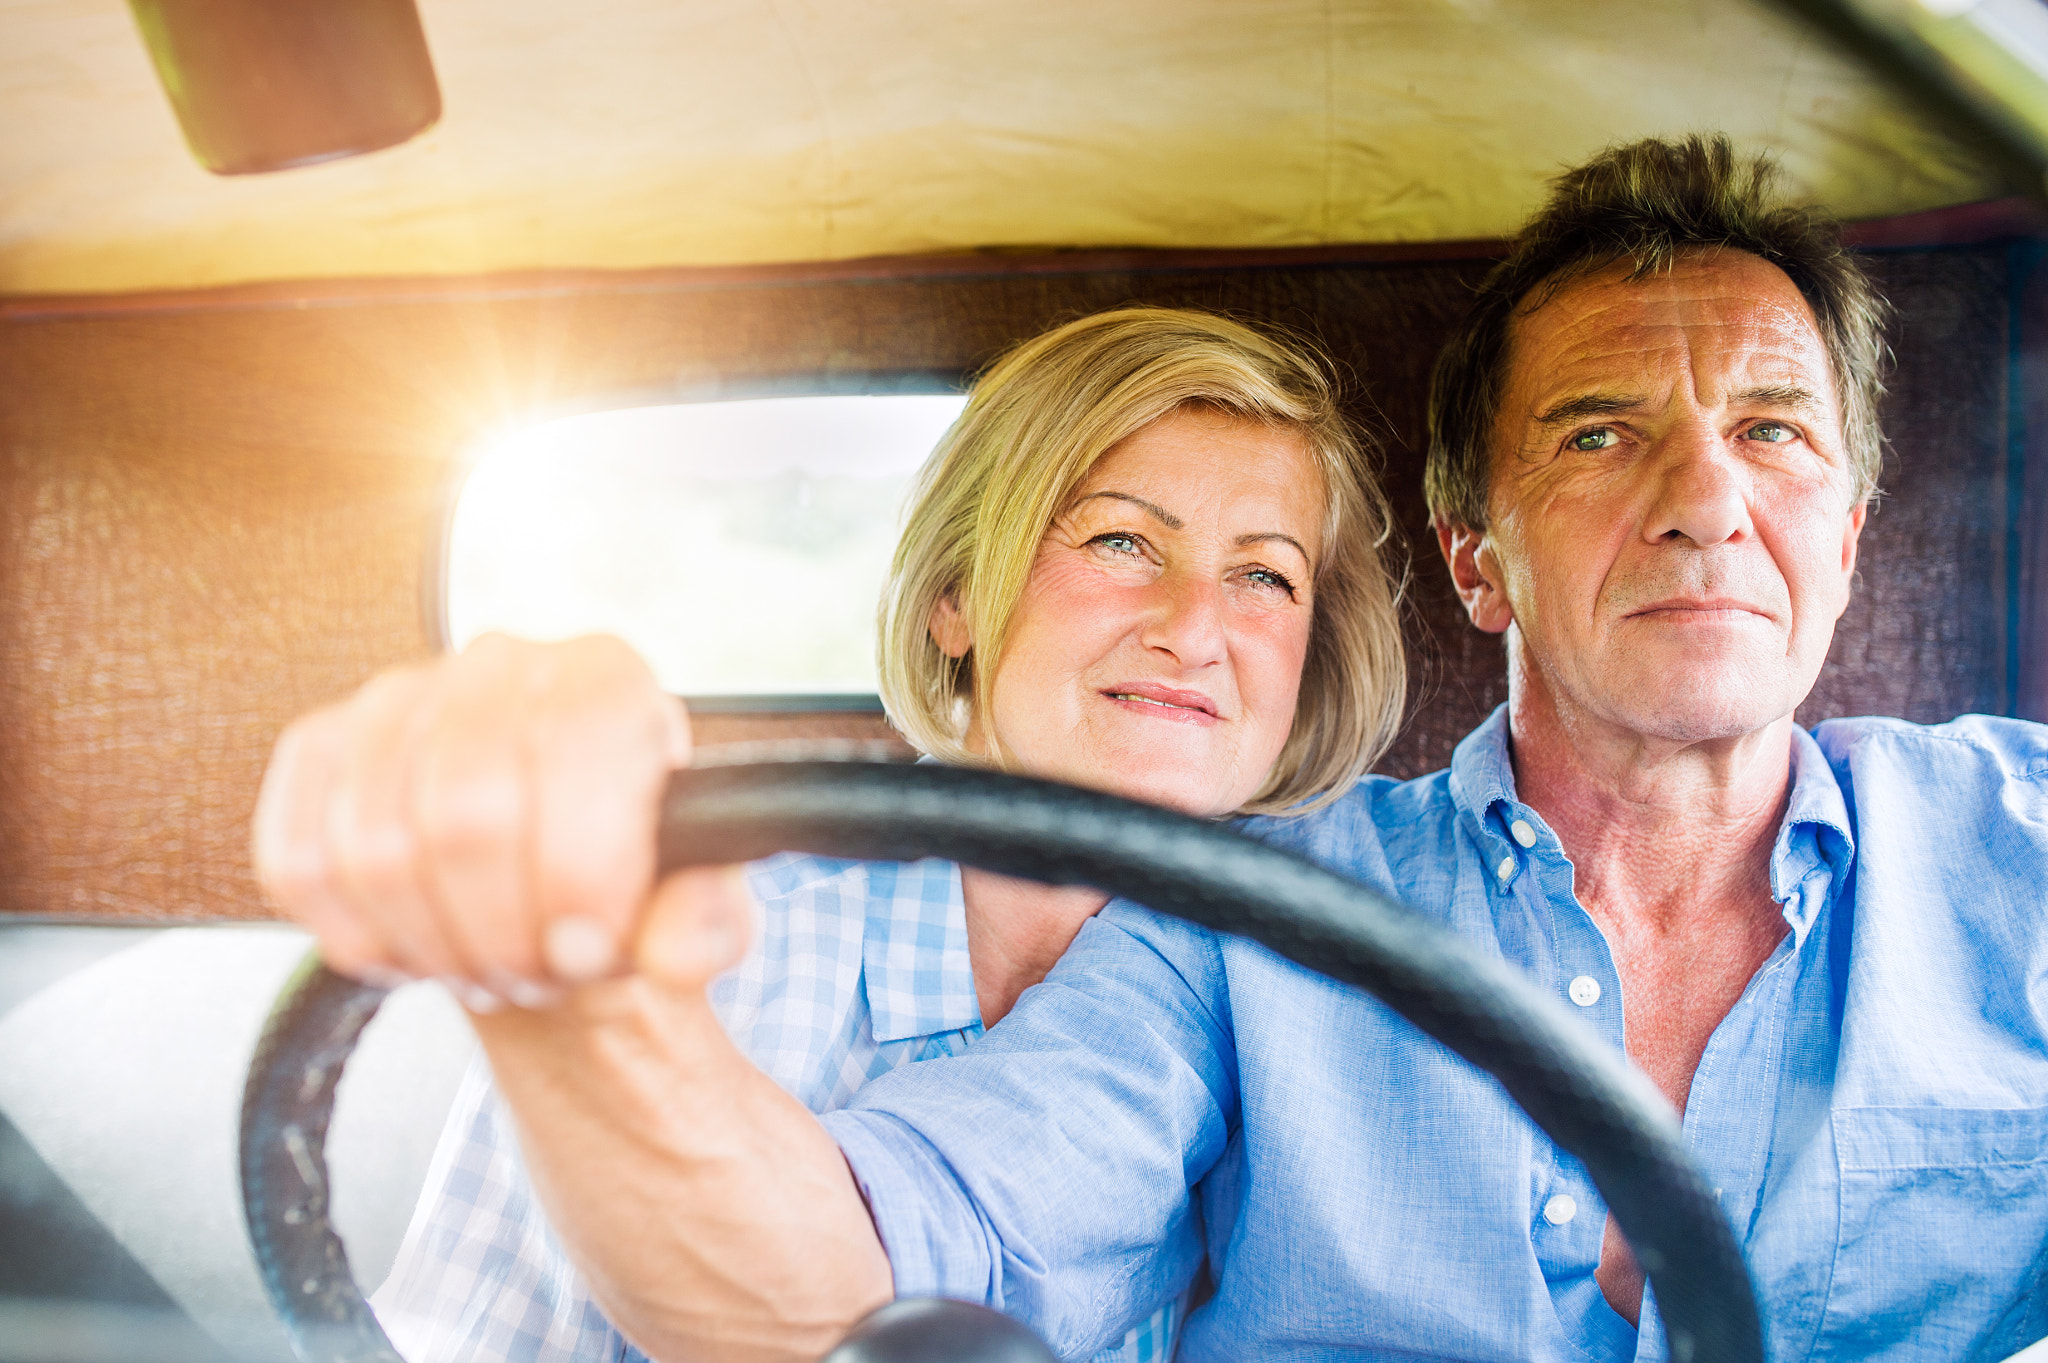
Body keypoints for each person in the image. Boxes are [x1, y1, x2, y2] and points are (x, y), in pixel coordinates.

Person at [261, 136, 2048, 1362]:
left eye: (1770, 431)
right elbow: (863, 1274)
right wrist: (582, 991)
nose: (1704, 500)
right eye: (1598, 432)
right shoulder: (1247, 921)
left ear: (1854, 522)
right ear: (1472, 557)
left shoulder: (2020, 843)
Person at [254, 306, 1409, 1362]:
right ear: (956, 595)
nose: (1194, 627)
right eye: (1119, 543)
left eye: (1263, 575)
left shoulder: (1311, 1018)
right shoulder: (704, 944)